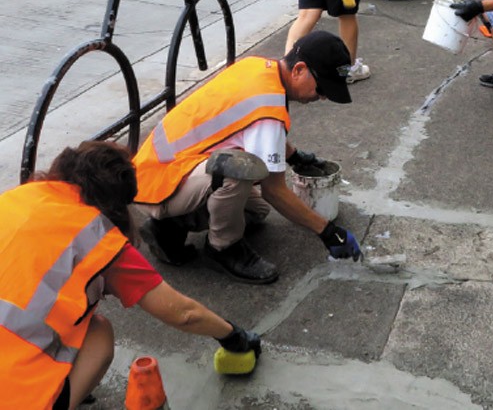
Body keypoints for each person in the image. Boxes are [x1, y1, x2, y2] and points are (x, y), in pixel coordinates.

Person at [0, 140, 261, 410]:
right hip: (17, 398)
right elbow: (183, 313)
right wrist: (233, 336)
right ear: (116, 204)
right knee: (99, 332)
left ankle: (62, 381)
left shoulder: (15, 198)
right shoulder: (95, 237)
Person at [134, 32, 363, 285]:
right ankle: (223, 249)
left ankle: (168, 227)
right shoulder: (268, 112)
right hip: (157, 182)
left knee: (256, 211)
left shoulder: (258, 68)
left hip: (161, 168)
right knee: (239, 171)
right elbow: (274, 191)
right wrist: (328, 232)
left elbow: (248, 127)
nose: (322, 97)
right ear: (299, 69)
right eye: (322, 88)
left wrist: (296, 157)